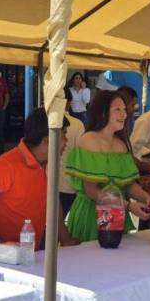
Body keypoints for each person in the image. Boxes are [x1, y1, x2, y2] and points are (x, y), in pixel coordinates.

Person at [0, 108, 79, 260]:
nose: (67, 142)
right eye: (64, 136)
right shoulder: (7, 165)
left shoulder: (48, 164)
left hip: (31, 252)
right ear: (48, 141)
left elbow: (53, 203)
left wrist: (65, 238)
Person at [64, 90, 150, 242]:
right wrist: (128, 206)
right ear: (102, 112)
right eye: (117, 110)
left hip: (118, 215)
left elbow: (127, 185)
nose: (124, 115)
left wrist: (146, 197)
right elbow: (92, 191)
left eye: (124, 110)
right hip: (91, 215)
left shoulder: (121, 144)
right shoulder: (89, 140)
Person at [59, 87, 86, 217]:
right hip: (67, 184)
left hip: (45, 183)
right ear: (69, 103)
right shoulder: (77, 124)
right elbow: (81, 155)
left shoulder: (41, 120)